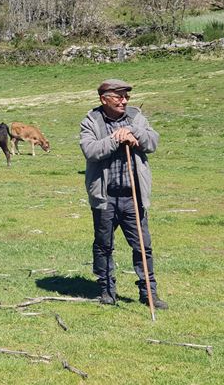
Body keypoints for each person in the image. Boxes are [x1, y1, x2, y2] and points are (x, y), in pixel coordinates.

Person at [79, 79, 168, 309]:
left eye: (126, 96)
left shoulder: (136, 118)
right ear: (104, 99)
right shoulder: (91, 121)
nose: (124, 101)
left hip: (133, 195)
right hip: (105, 196)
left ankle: (149, 292)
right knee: (104, 244)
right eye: (119, 97)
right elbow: (90, 151)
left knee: (142, 245)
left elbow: (152, 142)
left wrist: (132, 132)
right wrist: (115, 138)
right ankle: (107, 290)